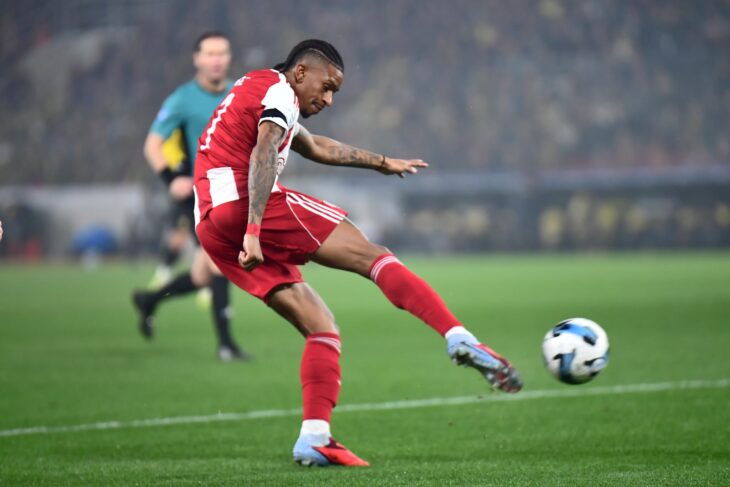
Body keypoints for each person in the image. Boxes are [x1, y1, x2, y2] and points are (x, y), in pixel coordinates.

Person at [194, 39, 522, 467]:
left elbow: (315, 147)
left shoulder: (259, 87)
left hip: (211, 224)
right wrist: (253, 230)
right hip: (244, 205)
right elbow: (264, 150)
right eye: (327, 87)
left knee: (321, 327)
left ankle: (314, 438)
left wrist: (381, 162)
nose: (328, 99)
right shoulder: (280, 93)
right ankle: (459, 337)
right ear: (300, 72)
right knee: (373, 255)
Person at [132, 31, 249, 362]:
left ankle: (149, 300)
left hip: (230, 193)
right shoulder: (181, 99)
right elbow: (152, 145)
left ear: (229, 57)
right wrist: (171, 179)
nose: (216, 59)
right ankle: (226, 346)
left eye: (222, 53)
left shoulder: (238, 94)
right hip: (198, 195)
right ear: (197, 59)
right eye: (210, 53)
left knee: (201, 275)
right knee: (221, 263)